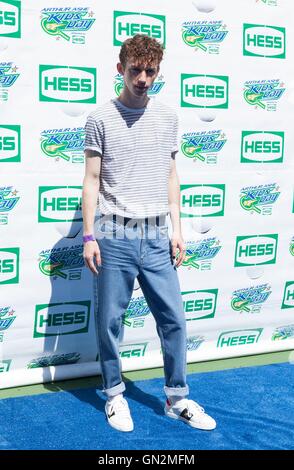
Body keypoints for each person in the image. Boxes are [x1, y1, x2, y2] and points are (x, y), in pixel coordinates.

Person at [82, 34, 216, 433]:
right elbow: (91, 181)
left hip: (158, 236)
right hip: (113, 236)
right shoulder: (99, 118)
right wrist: (89, 236)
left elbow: (171, 174)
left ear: (158, 71)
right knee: (109, 322)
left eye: (150, 70)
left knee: (174, 319)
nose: (142, 78)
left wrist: (177, 229)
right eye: (135, 69)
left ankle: (177, 398)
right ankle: (114, 395)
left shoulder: (169, 117)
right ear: (119, 69)